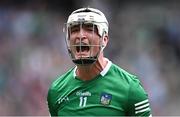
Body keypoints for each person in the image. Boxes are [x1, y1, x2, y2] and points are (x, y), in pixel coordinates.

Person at [47, 7, 152, 116]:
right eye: (74, 30)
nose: (80, 35)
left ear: (104, 40)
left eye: (89, 29)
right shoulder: (56, 90)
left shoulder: (130, 89)